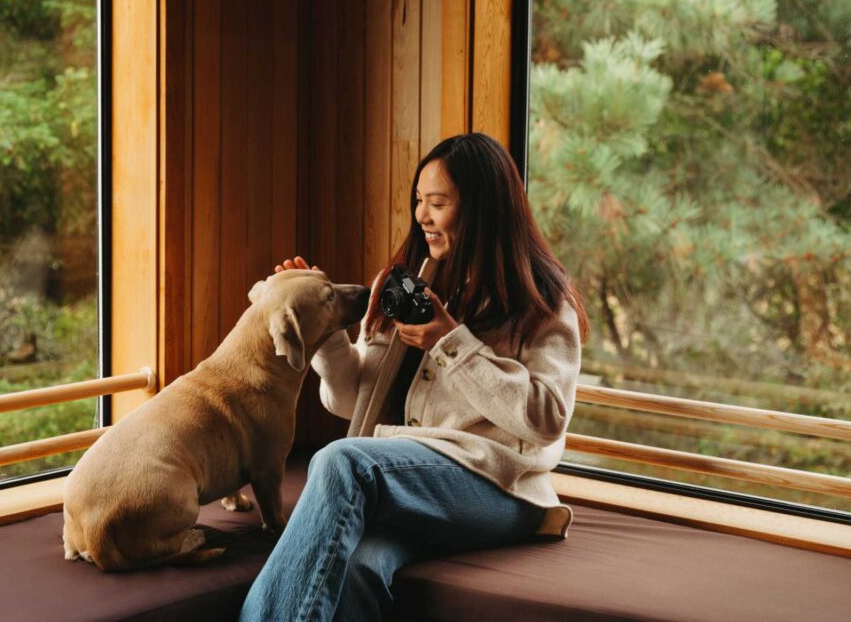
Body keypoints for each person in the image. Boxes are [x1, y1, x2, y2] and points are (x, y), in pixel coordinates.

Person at [239, 133, 589, 622]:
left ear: (483, 210)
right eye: (419, 201)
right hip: (416, 483)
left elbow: (546, 419)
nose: (422, 215)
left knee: (344, 462)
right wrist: (326, 321)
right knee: (359, 567)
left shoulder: (542, 300)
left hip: (500, 488)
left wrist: (451, 342)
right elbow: (350, 401)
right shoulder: (407, 282)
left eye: (439, 203)